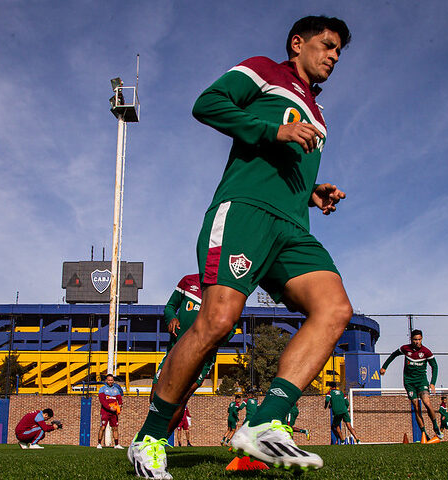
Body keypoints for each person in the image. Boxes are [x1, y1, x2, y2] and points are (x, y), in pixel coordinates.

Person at [128, 15, 353, 478]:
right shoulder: (267, 71)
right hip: (245, 212)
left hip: (293, 226)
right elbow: (208, 103)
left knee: (334, 310)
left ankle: (268, 421)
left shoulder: (317, 109)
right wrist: (273, 131)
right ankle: (148, 439)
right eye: (327, 45)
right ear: (298, 43)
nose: (333, 56)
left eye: (338, 51)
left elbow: (286, 164)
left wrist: (313, 191)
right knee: (216, 321)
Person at [150, 274, 233, 436]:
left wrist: (213, 339)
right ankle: (150, 435)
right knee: (155, 396)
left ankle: (159, 441)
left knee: (182, 397)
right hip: (175, 350)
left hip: (202, 358)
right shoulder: (188, 281)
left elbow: (231, 328)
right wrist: (172, 318)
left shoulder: (227, 291)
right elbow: (170, 307)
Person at [379, 329, 442, 441]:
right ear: (411, 339)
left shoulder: (426, 352)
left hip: (421, 381)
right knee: (416, 406)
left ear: (421, 339)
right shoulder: (405, 349)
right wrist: (384, 367)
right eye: (415, 339)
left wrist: (432, 383)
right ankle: (424, 434)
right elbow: (393, 355)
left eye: (419, 339)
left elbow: (435, 366)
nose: (417, 342)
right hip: (409, 382)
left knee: (427, 402)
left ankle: (436, 426)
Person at [97, 374, 124, 449]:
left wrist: (121, 405)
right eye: (109, 380)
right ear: (106, 380)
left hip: (114, 412)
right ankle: (99, 444)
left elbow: (119, 399)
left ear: (113, 381)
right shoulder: (102, 389)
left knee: (115, 428)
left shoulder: (116, 389)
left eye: (111, 380)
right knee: (103, 427)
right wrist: (109, 408)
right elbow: (102, 401)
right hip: (105, 411)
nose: (110, 381)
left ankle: (116, 444)